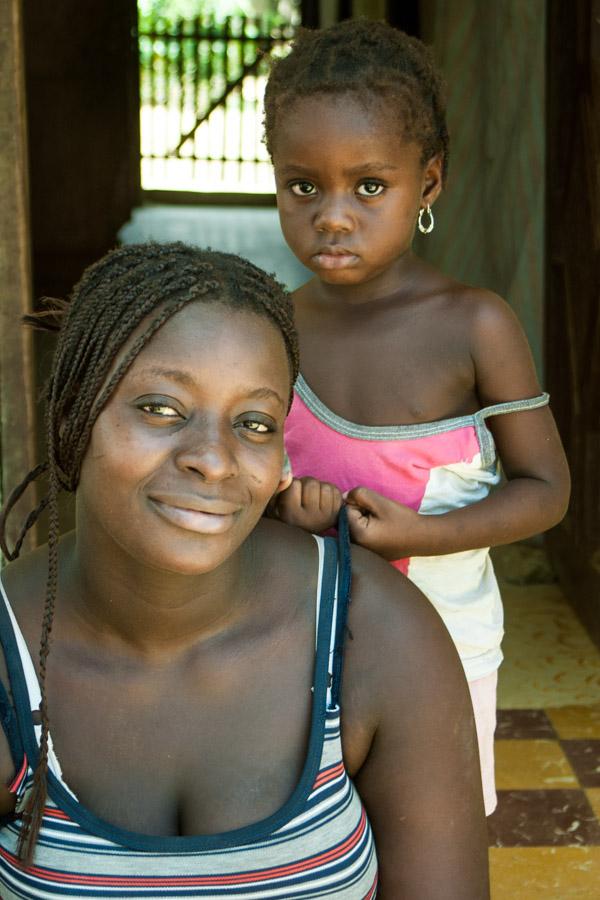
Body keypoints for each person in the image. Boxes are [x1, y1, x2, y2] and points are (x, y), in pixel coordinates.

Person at [0, 243, 488, 898]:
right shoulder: (9, 662)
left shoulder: (374, 633)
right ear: (72, 417)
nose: (214, 459)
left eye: (254, 422)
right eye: (161, 409)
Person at [264, 19, 571, 817]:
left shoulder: (476, 327)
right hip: (296, 645)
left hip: (445, 650)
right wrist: (279, 508)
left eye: (370, 186)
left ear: (428, 183)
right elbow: (241, 473)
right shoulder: (270, 329)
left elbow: (547, 490)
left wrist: (415, 534)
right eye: (304, 186)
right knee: (317, 839)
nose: (333, 215)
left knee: (432, 838)